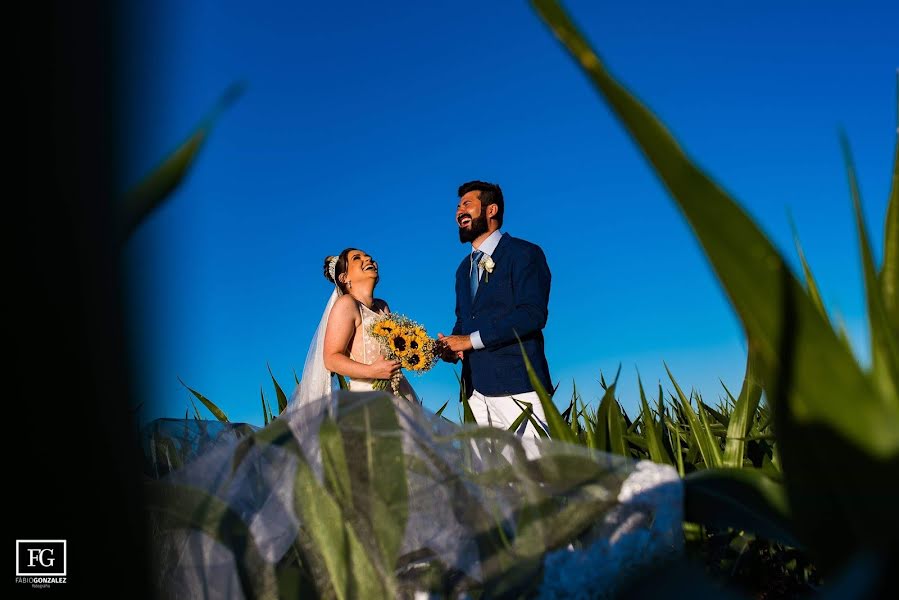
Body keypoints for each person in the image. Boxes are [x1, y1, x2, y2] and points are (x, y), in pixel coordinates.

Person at [438, 180, 552, 450]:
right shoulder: (461, 269)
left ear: (491, 210)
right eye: (457, 207)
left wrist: (470, 341)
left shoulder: (525, 253)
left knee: (537, 479)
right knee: (491, 485)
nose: (459, 212)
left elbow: (532, 315)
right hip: (475, 393)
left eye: (467, 204)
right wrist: (452, 346)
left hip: (518, 387)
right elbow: (464, 321)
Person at [288, 247, 421, 408]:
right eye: (357, 258)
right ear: (344, 277)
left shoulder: (383, 306)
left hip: (400, 394)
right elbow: (331, 359)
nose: (369, 258)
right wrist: (372, 371)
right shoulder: (347, 304)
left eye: (368, 256)